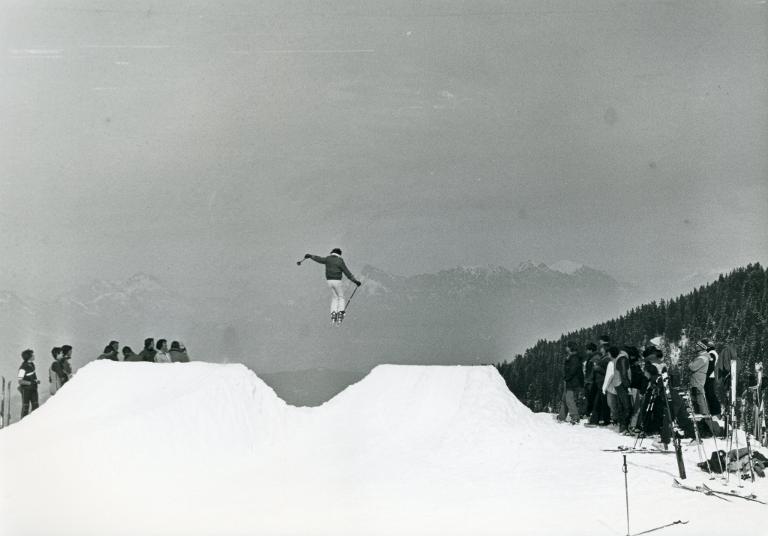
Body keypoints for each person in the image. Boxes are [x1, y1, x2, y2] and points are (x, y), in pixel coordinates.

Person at [303, 248, 362, 325]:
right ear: (339, 254)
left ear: (332, 253)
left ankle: (333, 313)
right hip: (337, 281)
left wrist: (311, 256)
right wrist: (355, 281)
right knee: (340, 297)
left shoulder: (328, 259)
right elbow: (347, 273)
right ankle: (340, 313)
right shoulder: (340, 261)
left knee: (334, 297)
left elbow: (319, 259)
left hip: (329, 281)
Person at [689, 340, 716, 436]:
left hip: (697, 381)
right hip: (697, 381)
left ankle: (704, 426)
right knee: (698, 401)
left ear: (702, 347)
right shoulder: (703, 356)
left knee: (699, 402)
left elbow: (692, 367)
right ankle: (702, 424)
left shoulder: (702, 358)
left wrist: (690, 362)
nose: (696, 347)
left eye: (698, 345)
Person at [557, 341, 583, 423]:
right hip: (569, 381)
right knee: (565, 399)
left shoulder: (574, 358)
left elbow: (573, 370)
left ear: (571, 348)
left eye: (567, 346)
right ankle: (562, 416)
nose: (566, 348)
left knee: (569, 399)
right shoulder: (571, 357)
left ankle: (575, 417)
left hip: (573, 382)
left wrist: (567, 377)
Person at [17, 349, 40, 419]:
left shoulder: (32, 365)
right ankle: (22, 423)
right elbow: (20, 381)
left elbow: (32, 376)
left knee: (35, 406)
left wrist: (36, 381)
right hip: (26, 390)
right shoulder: (23, 367)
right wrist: (30, 383)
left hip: (33, 389)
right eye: (32, 355)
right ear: (29, 357)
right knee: (25, 407)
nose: (34, 356)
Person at [704, 340, 722, 416]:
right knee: (710, 393)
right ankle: (714, 411)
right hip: (712, 376)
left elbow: (710, 366)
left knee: (710, 393)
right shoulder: (712, 353)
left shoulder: (711, 354)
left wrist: (706, 375)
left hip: (710, 376)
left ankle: (715, 411)